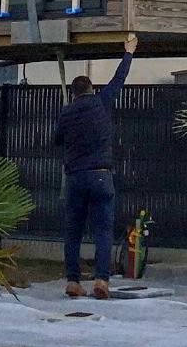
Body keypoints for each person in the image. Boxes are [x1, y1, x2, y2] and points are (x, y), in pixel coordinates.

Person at [55, 33, 137, 299]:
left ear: (74, 92)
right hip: (101, 175)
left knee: (73, 231)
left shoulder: (66, 112)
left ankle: (72, 280)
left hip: (76, 176)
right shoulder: (102, 103)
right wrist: (128, 52)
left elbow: (56, 140)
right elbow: (118, 80)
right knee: (103, 230)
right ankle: (101, 280)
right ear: (91, 89)